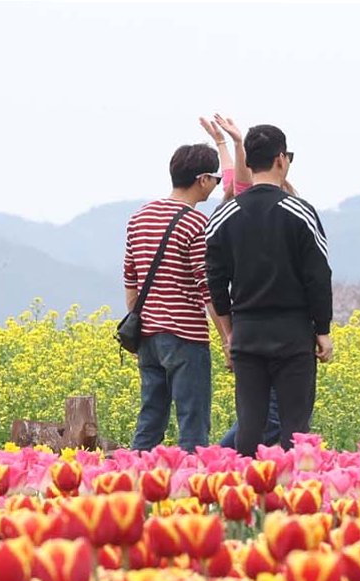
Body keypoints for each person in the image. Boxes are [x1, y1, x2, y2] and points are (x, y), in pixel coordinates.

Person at [203, 124, 333, 457]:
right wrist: (322, 329)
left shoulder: (224, 216)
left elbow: (215, 281)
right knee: (295, 427)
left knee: (250, 424)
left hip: (247, 332)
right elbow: (318, 275)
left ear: (250, 162)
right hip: (293, 332)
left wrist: (230, 333)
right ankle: (293, 486)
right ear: (280, 159)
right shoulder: (300, 211)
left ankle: (245, 485)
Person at [124, 143, 225, 452]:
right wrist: (227, 337)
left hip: (147, 335)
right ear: (203, 179)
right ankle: (192, 479)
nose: (217, 185)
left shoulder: (139, 218)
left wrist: (139, 326)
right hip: (185, 337)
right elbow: (207, 287)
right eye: (217, 179)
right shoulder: (196, 223)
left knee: (150, 418)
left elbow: (131, 279)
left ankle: (132, 475)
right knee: (193, 422)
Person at [199, 115, 283, 449]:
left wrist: (225, 143)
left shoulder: (228, 217)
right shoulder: (246, 211)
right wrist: (235, 143)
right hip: (262, 330)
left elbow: (235, 180)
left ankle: (223, 461)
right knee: (268, 416)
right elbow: (241, 184)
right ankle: (218, 460)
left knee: (256, 412)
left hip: (249, 329)